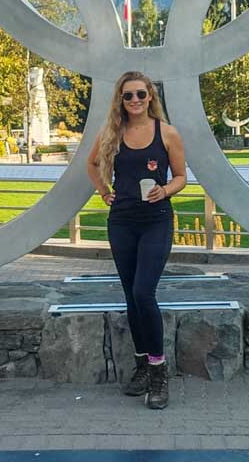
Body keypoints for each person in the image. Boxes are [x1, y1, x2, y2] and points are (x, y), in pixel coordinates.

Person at [86, 71, 187, 410]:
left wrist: (165, 190)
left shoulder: (167, 132)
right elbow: (92, 163)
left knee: (145, 292)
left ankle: (159, 371)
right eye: (128, 96)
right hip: (122, 222)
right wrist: (104, 192)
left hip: (156, 221)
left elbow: (182, 177)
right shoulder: (112, 132)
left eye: (141, 94)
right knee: (131, 296)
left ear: (150, 97)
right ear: (121, 99)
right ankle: (142, 363)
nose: (135, 101)